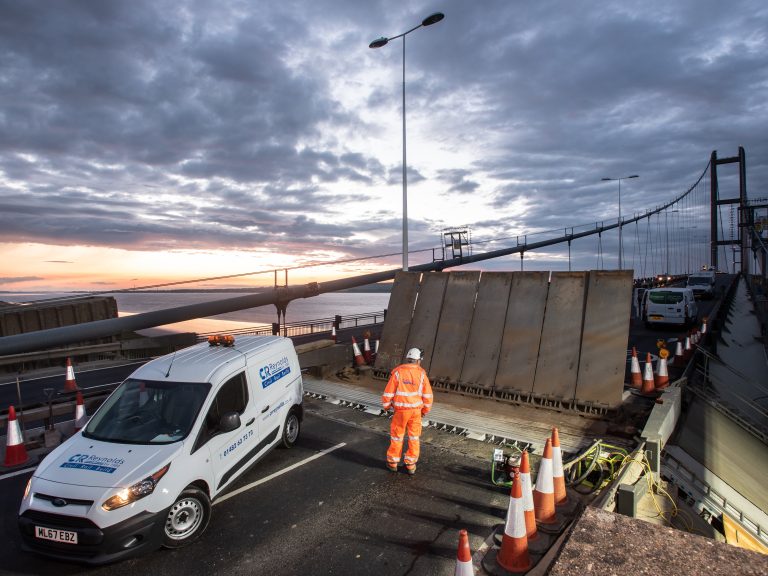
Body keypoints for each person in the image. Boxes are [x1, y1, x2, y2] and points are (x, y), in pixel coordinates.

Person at [381, 347, 433, 475]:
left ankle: (393, 463)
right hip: (415, 412)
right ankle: (410, 465)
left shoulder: (398, 372)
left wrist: (387, 406)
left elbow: (388, 392)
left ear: (408, 359)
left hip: (400, 411)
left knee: (397, 437)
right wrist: (425, 410)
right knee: (414, 437)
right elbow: (428, 396)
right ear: (418, 360)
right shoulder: (422, 374)